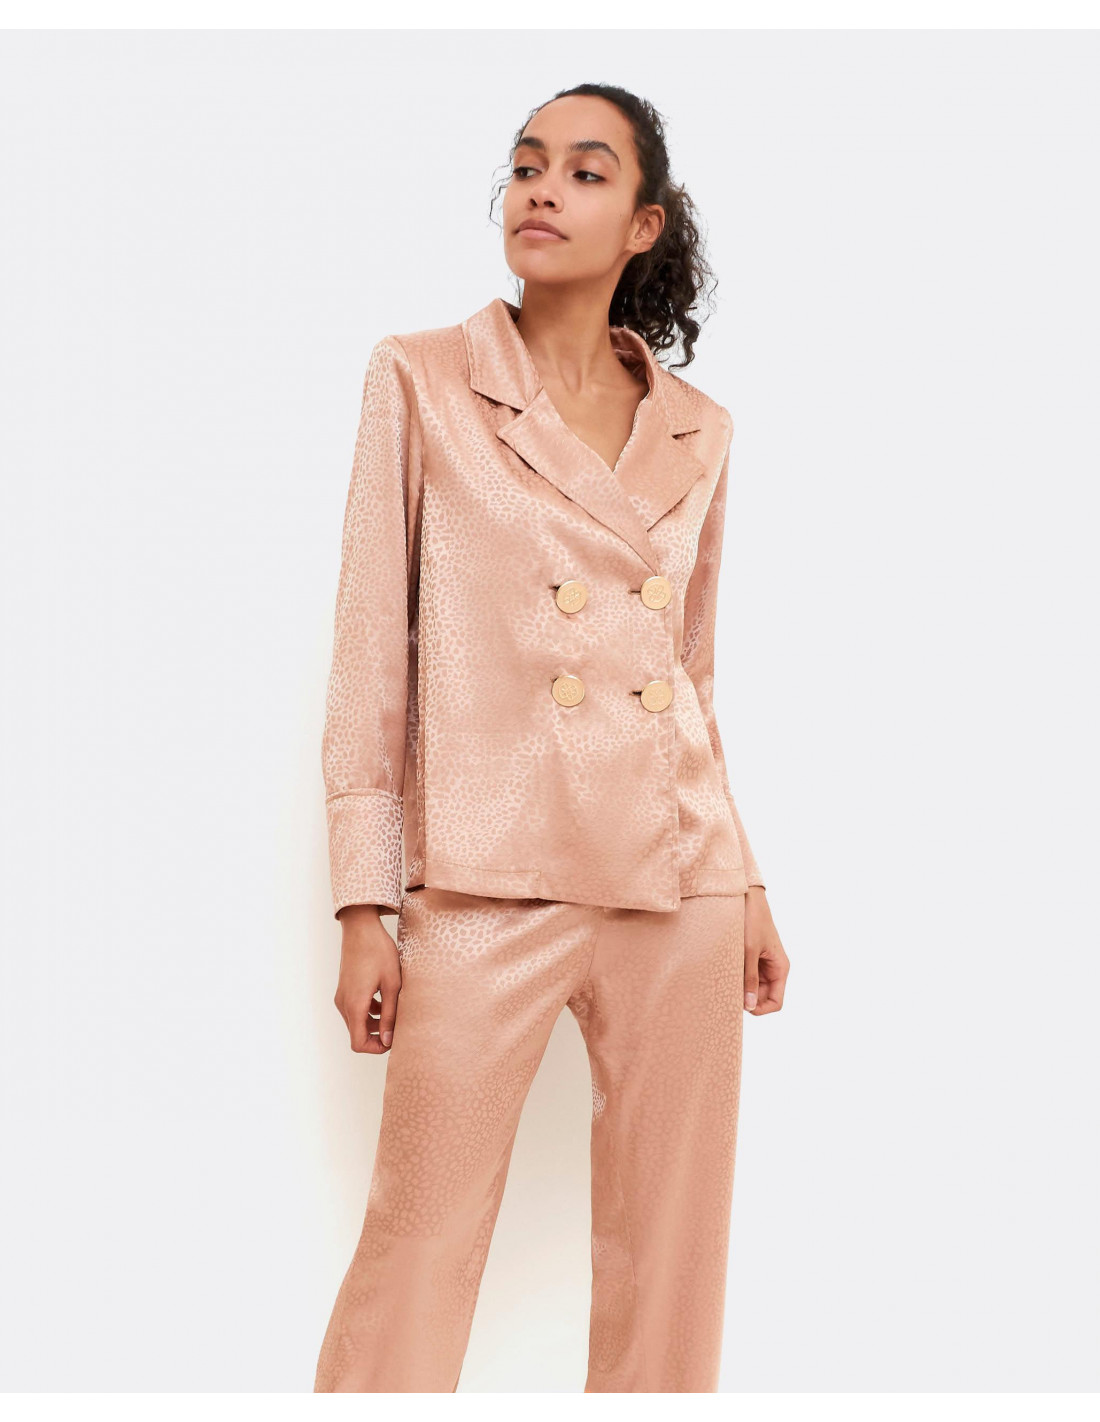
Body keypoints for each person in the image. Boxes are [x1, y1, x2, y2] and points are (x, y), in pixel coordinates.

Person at [313, 81, 791, 1394]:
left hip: (675, 877)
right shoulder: (422, 377)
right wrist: (364, 901)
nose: (541, 189)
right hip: (486, 875)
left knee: (672, 1259)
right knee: (418, 1244)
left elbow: (688, 673)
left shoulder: (699, 428)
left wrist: (747, 880)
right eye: (527, 165)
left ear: (643, 224)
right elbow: (371, 651)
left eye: (585, 172)